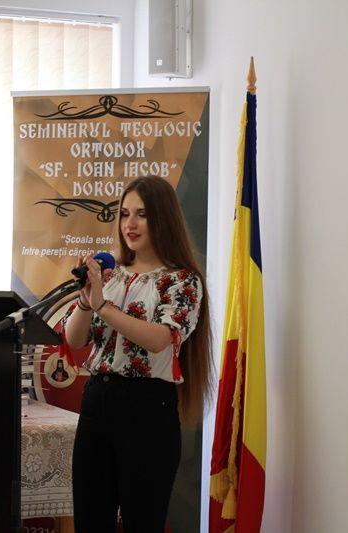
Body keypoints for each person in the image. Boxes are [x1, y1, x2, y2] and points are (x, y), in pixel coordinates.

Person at [61, 175, 212, 533]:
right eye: (125, 214)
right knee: (90, 520)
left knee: (142, 521)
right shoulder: (110, 273)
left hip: (148, 408)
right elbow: (74, 338)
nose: (130, 224)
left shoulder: (181, 280)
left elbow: (160, 339)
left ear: (163, 218)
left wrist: (104, 305)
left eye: (141, 214)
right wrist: (87, 300)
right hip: (97, 401)